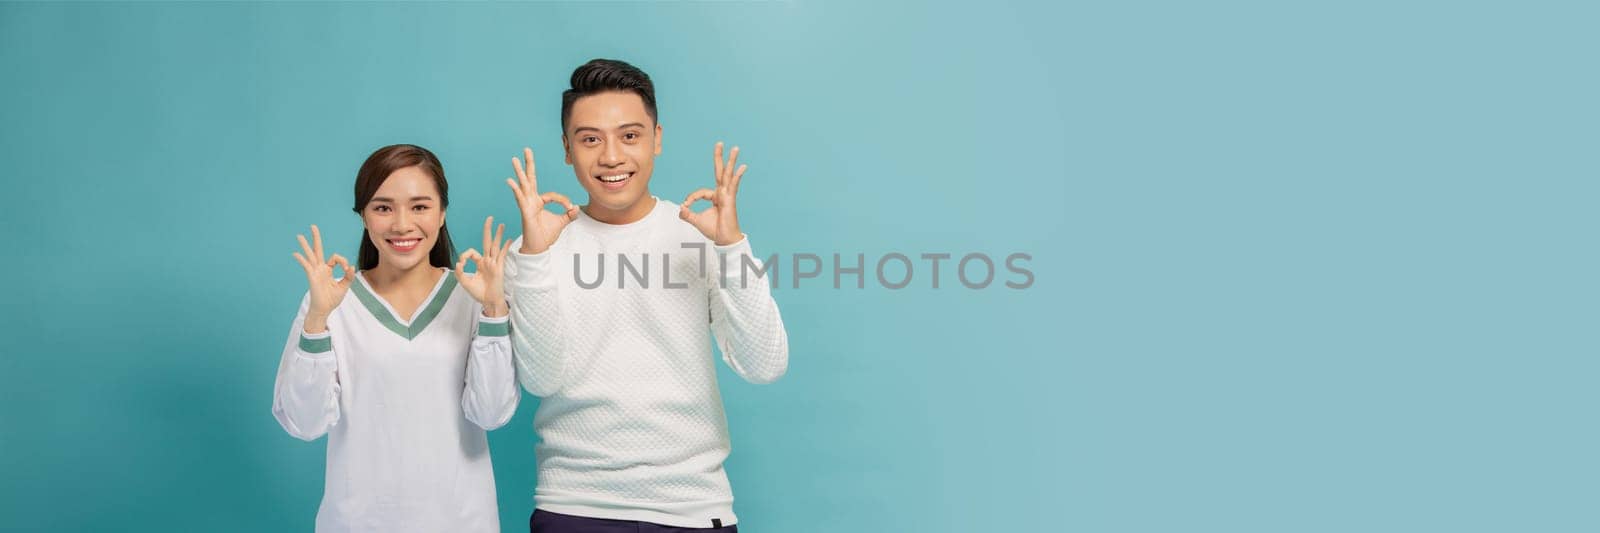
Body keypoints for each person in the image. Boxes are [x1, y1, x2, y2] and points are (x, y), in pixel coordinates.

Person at [504, 59, 789, 532]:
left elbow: (764, 365)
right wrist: (535, 258)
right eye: (590, 138)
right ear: (567, 150)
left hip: (693, 506)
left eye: (630, 136)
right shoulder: (534, 249)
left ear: (657, 138)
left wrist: (732, 247)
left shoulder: (701, 236)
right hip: (574, 506)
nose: (612, 156)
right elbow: (540, 378)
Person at [272, 144, 520, 532]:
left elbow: (491, 413)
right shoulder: (330, 302)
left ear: (442, 213)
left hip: (461, 521)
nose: (402, 224)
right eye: (383, 207)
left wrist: (492, 310)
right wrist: (318, 318)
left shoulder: (473, 296)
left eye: (419, 207)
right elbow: (305, 423)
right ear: (364, 217)